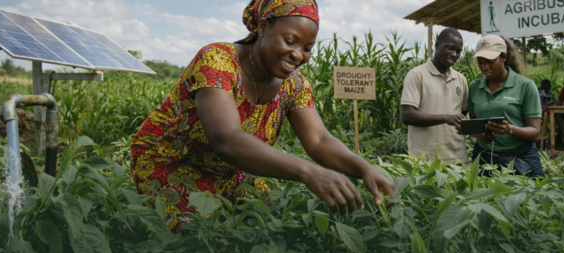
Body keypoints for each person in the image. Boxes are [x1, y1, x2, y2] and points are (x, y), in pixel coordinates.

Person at [131, 0, 394, 231]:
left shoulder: (295, 84)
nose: (298, 55)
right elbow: (225, 139)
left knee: (270, 223)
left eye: (307, 48)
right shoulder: (218, 60)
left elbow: (320, 141)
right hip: (173, 162)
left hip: (229, 169)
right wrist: (308, 172)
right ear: (263, 28)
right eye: (290, 41)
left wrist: (364, 168)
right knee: (202, 239)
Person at [467, 35, 543, 178]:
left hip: (520, 156)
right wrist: (480, 135)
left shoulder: (525, 86)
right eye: (480, 62)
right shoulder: (475, 87)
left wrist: (509, 129)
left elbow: (534, 133)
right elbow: (474, 122)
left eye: (490, 62)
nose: (484, 68)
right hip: (484, 156)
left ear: (504, 57)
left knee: (532, 196)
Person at [400, 28, 469, 164]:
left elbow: (465, 115)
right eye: (450, 48)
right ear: (437, 46)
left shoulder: (461, 79)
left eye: (458, 51)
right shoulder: (417, 75)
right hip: (425, 160)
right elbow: (407, 115)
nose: (454, 54)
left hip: (458, 158)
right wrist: (444, 118)